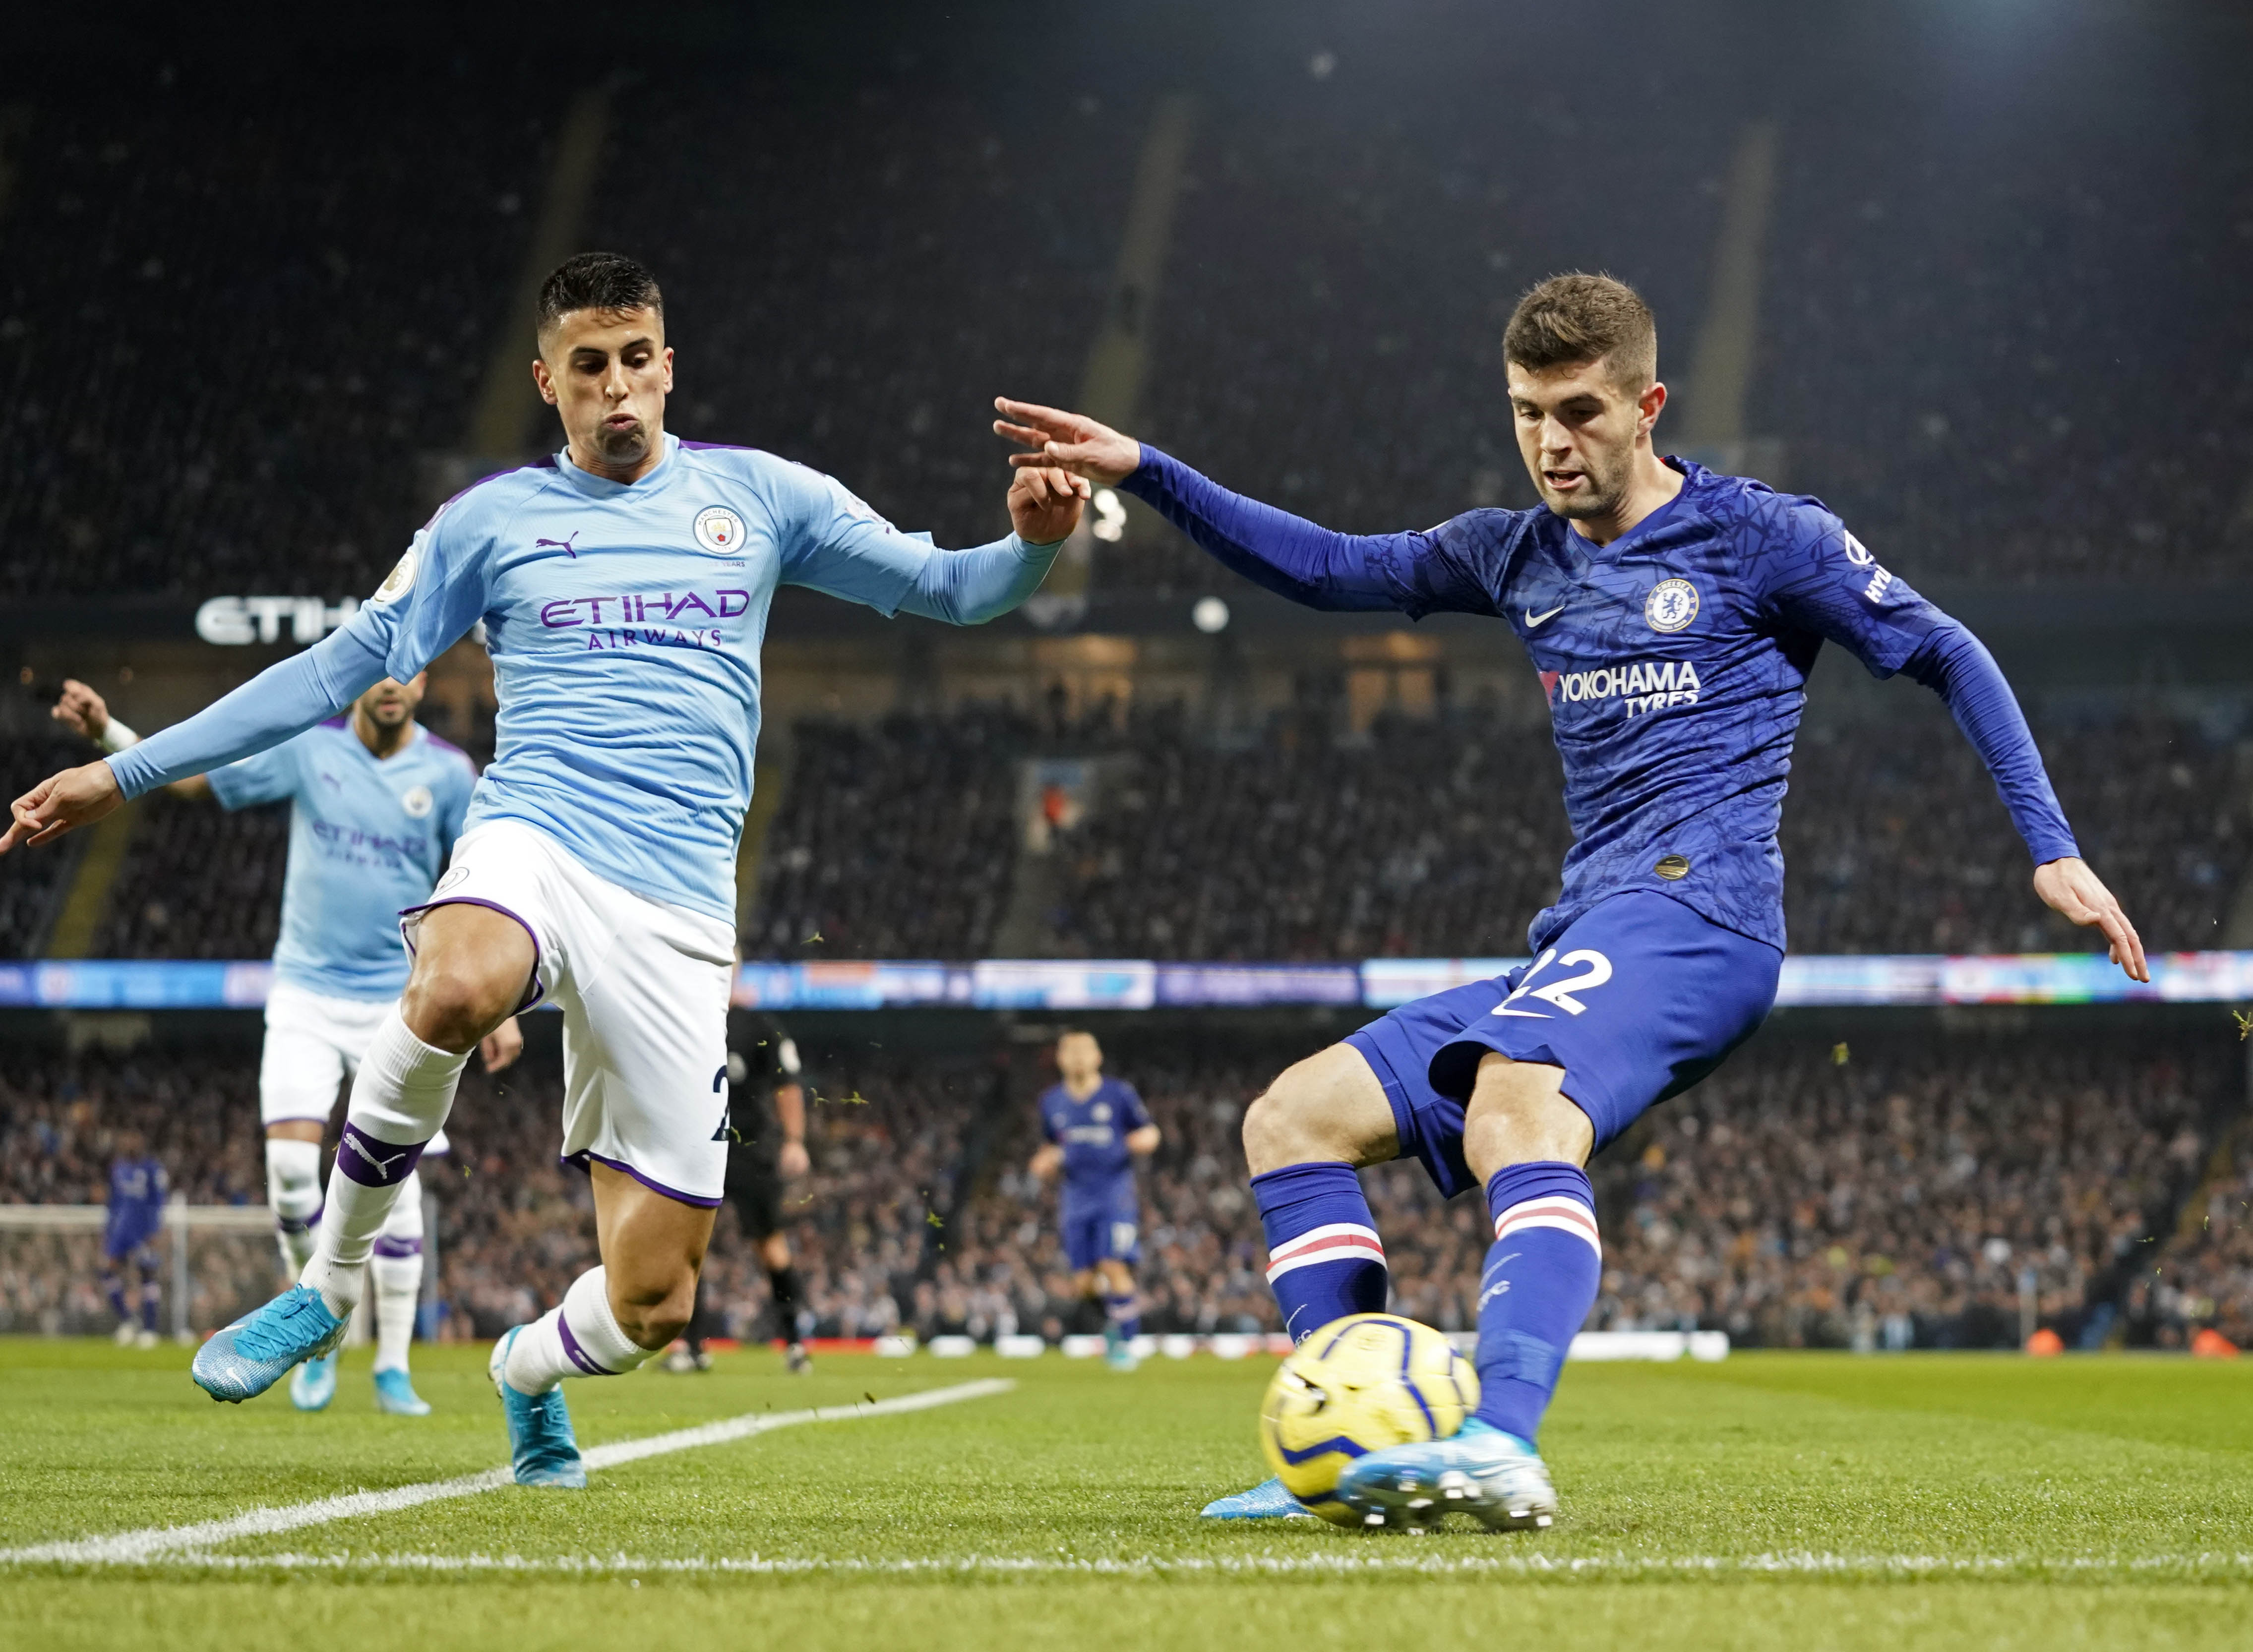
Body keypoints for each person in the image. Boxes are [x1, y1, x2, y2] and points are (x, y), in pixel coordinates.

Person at [995, 272, 2146, 1529]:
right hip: (1585, 929)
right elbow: (1325, 569)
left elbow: (1943, 647)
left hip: (1703, 914)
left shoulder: (1761, 536)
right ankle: (1348, 1438)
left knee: (1516, 1106)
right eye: (1527, 412)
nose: (1551, 441)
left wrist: (2049, 844)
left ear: (1648, 407)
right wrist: (1146, 469)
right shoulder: (1513, 553)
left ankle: (1499, 1440)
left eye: (1581, 411)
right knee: (1293, 1118)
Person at [4, 250, 1085, 1487]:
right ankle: (328, 1286)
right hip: (539, 834)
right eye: (588, 366)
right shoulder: (487, 523)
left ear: (668, 367)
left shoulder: (763, 497)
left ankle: (524, 1369)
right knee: (458, 979)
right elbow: (329, 672)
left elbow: (951, 588)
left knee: (655, 1305)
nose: (616, 386)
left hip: (679, 911)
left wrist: (1032, 546)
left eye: (635, 360)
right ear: (547, 382)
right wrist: (124, 772)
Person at [53, 675, 521, 1415]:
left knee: (397, 1188)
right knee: (292, 1176)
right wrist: (111, 733)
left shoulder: (448, 773)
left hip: (397, 996)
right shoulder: (309, 750)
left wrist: (499, 1001)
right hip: (305, 991)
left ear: (425, 679)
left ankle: (393, 1365)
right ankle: (316, 1321)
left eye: (409, 670)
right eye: (381, 667)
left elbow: (482, 883)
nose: (392, 683)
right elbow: (199, 779)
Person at [667, 1013, 814, 1374]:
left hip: (750, 1149)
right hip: (698, 1149)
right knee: (689, 1248)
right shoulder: (689, 1017)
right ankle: (692, 1347)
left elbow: (787, 1083)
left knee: (770, 1246)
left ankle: (795, 1343)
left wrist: (794, 1140)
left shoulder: (759, 1028)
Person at [1029, 1031, 1157, 1371]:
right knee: (1083, 1283)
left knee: (1113, 1265)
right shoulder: (1052, 1102)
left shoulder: (1118, 1094)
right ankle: (1115, 1321)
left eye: (1085, 1050)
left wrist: (1130, 1144)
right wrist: (1044, 1161)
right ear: (1060, 1059)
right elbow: (1051, 1145)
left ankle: (1126, 1343)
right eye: (1070, 1051)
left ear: (1097, 1056)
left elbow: (1149, 1132)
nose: (1078, 1057)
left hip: (1114, 1195)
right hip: (1075, 1198)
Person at [103, 1130, 167, 1348]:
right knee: (108, 1272)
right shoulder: (118, 1168)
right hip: (121, 1230)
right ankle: (129, 1321)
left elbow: (157, 1201)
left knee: (147, 1275)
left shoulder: (152, 1169)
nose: (131, 1145)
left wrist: (154, 1230)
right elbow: (113, 1202)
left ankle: (150, 1330)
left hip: (142, 1230)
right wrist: (108, 1230)